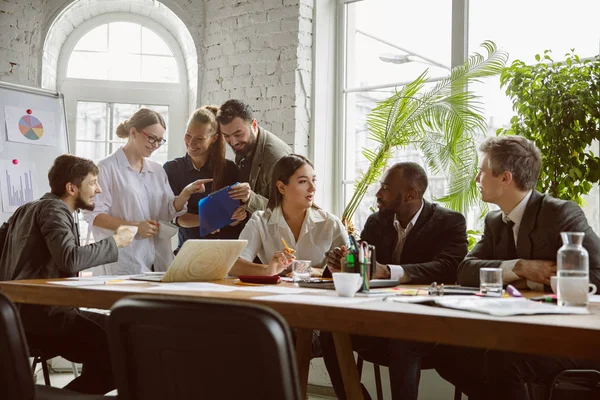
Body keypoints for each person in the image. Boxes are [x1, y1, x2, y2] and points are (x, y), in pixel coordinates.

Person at [446, 135, 600, 399]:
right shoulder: (495, 221)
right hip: (525, 332)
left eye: (481, 171)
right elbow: (465, 271)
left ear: (505, 178)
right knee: (450, 352)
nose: (476, 179)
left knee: (503, 360)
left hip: (577, 339)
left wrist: (527, 280)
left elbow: (597, 274)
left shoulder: (561, 213)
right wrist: (520, 268)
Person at [322, 162, 469, 400]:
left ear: (411, 193)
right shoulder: (376, 221)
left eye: (386, 188)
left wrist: (389, 271)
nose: (379, 193)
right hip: (379, 321)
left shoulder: (449, 222)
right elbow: (364, 271)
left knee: (402, 337)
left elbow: (448, 268)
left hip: (428, 328)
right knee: (331, 333)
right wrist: (344, 263)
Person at [0, 154, 134, 394]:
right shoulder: (54, 208)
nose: (99, 189)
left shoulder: (24, 210)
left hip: (16, 319)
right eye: (93, 182)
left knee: (115, 331)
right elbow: (70, 258)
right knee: (122, 359)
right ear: (71, 188)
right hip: (43, 322)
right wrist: (116, 242)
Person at [83, 107, 211, 275]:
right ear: (133, 132)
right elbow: (95, 216)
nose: (156, 145)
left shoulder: (157, 170)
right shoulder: (107, 168)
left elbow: (168, 210)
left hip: (157, 260)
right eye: (152, 139)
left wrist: (186, 193)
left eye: (160, 140)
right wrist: (136, 226)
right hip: (122, 262)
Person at [229, 154, 349, 277]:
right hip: (275, 294)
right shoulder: (260, 221)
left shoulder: (331, 223)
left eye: (313, 180)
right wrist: (268, 270)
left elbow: (351, 267)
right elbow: (233, 265)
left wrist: (311, 270)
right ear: (281, 187)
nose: (312, 188)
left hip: (319, 295)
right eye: (303, 181)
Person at [164, 106, 246, 249]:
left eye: (199, 138)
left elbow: (234, 220)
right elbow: (177, 218)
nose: (191, 143)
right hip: (189, 250)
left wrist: (238, 217)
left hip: (225, 250)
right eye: (188, 135)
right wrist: (208, 220)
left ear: (213, 138)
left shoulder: (229, 169)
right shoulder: (172, 169)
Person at [216, 99, 291, 213]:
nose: (233, 142)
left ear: (254, 125)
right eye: (226, 136)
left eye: (238, 134)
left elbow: (286, 211)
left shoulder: (277, 159)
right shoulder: (246, 145)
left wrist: (250, 198)